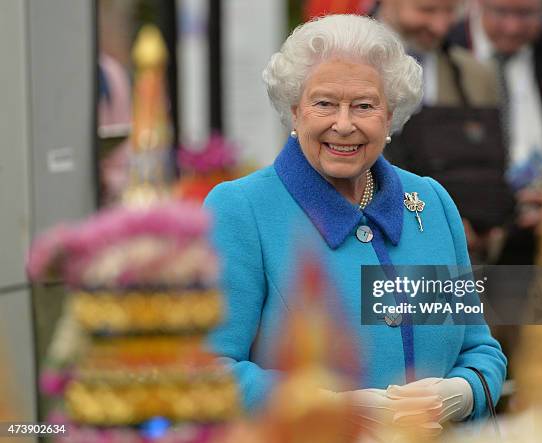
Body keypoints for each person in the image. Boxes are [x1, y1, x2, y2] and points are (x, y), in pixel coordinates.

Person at [204, 14, 506, 435]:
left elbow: (480, 349)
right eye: (324, 103)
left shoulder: (431, 203)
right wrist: (325, 409)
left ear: (389, 116)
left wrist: (465, 391)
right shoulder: (241, 209)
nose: (343, 124)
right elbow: (210, 369)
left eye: (364, 105)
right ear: (295, 111)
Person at [372, 0, 514, 263]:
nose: (440, 26)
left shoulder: (476, 75)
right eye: (426, 10)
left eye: (450, 12)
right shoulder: (347, 67)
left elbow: (493, 166)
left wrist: (489, 226)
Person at [449, 0, 542, 264]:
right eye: (500, 12)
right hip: (474, 232)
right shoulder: (449, 46)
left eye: (526, 15)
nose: (512, 28)